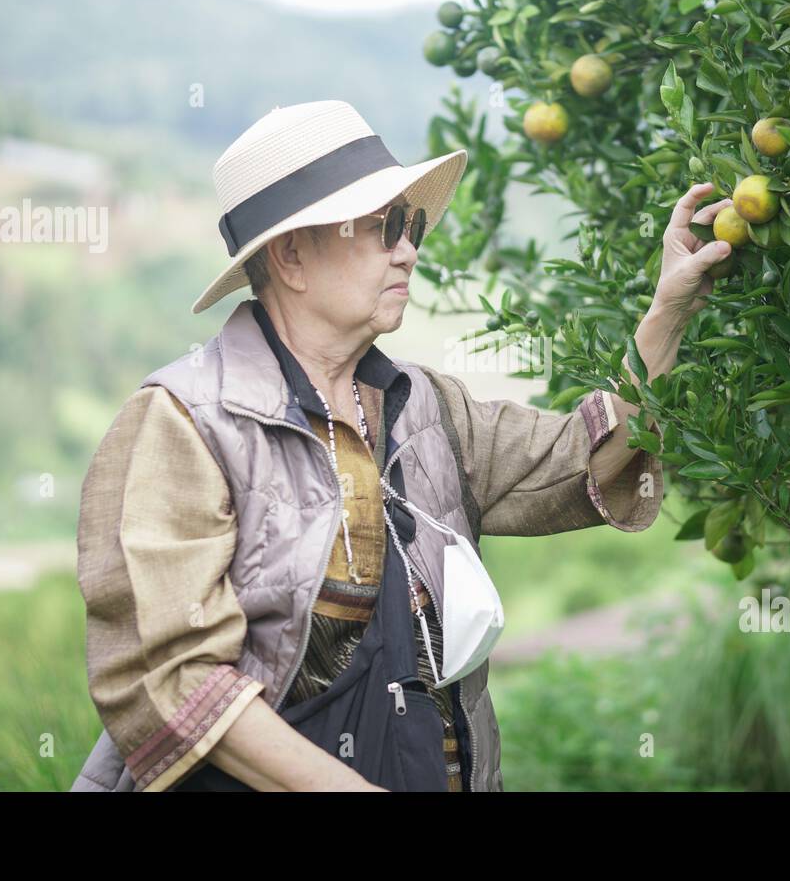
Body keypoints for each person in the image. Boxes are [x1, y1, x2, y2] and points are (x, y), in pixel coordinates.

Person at [69, 100, 735, 792]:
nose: (409, 249)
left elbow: (584, 456)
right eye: (385, 227)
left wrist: (669, 311)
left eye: (409, 224)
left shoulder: (426, 408)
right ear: (292, 254)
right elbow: (174, 680)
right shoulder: (183, 422)